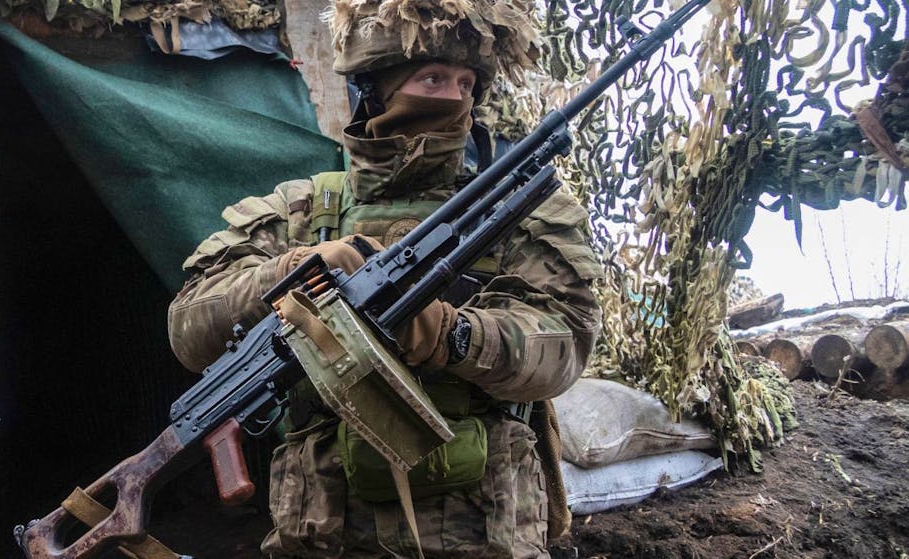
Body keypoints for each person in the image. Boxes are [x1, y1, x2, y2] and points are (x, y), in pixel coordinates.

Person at [167, 1, 603, 557]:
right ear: (375, 85)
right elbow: (188, 329)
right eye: (432, 78)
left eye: (466, 83)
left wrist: (450, 334)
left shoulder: (515, 213)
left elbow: (565, 346)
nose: (453, 98)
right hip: (324, 535)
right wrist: (293, 270)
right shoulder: (297, 212)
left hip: (485, 532)